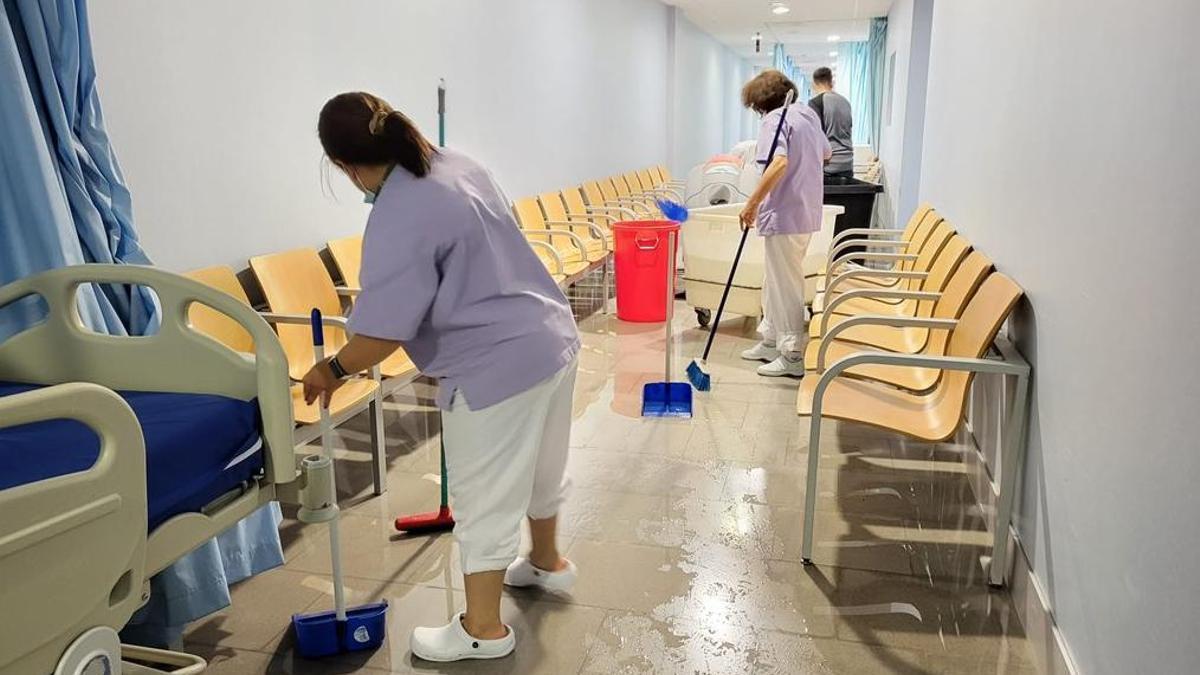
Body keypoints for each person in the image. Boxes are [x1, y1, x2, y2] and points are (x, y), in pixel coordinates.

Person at [302, 92, 580, 662]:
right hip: (551, 337)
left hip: (494, 366)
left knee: (485, 499)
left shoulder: (399, 215)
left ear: (344, 165)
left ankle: (483, 630)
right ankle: (547, 564)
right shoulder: (458, 164)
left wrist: (329, 370)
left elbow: (381, 336)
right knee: (542, 468)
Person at [738, 70, 832, 378]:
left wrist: (751, 204)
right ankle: (770, 338)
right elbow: (826, 155)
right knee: (775, 279)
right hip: (804, 212)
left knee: (786, 284)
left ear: (761, 103)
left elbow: (778, 162)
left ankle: (791, 352)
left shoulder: (773, 120)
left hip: (784, 213)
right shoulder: (807, 115)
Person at [808, 67, 854, 180]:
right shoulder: (845, 102)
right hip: (847, 164)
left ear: (814, 84)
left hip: (828, 166)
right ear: (831, 82)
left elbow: (816, 137)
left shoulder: (815, 103)